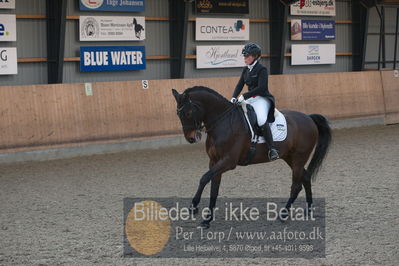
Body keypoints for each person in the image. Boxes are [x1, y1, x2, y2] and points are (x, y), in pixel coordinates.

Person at [231, 42, 279, 161]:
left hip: (262, 98)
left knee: (261, 119)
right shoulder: (245, 70)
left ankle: (272, 149)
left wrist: (244, 96)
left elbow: (262, 88)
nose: (245, 58)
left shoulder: (262, 69)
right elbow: (239, 85)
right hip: (250, 99)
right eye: (244, 56)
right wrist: (233, 97)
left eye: (248, 56)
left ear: (255, 57)